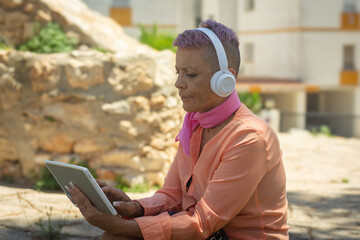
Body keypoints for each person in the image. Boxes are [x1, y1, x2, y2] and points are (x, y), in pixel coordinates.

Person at [68, 19, 289, 240]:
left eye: (190, 74)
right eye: (178, 72)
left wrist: (121, 227)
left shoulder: (249, 137)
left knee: (116, 237)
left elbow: (202, 223)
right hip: (212, 233)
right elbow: (172, 195)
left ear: (225, 79)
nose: (179, 83)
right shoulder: (195, 124)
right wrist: (134, 207)